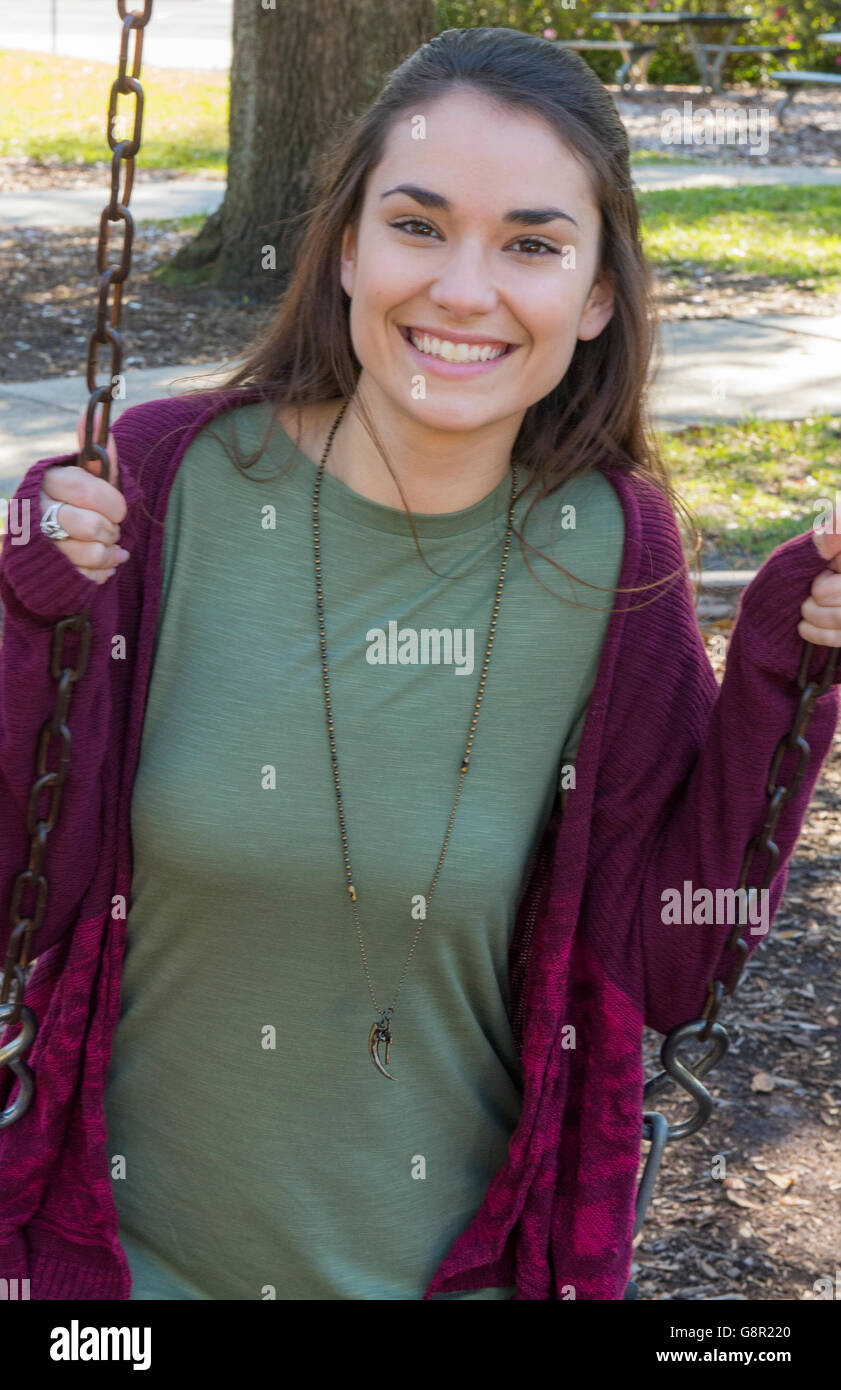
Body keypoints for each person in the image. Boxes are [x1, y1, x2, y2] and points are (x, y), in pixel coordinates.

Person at [1, 27, 839, 1302]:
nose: (463, 290)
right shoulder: (168, 488)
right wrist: (26, 617)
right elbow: (25, 886)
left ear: (598, 294)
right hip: (118, 1287)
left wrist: (781, 674)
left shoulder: (613, 549)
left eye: (533, 245)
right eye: (418, 224)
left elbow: (668, 960)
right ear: (345, 248)